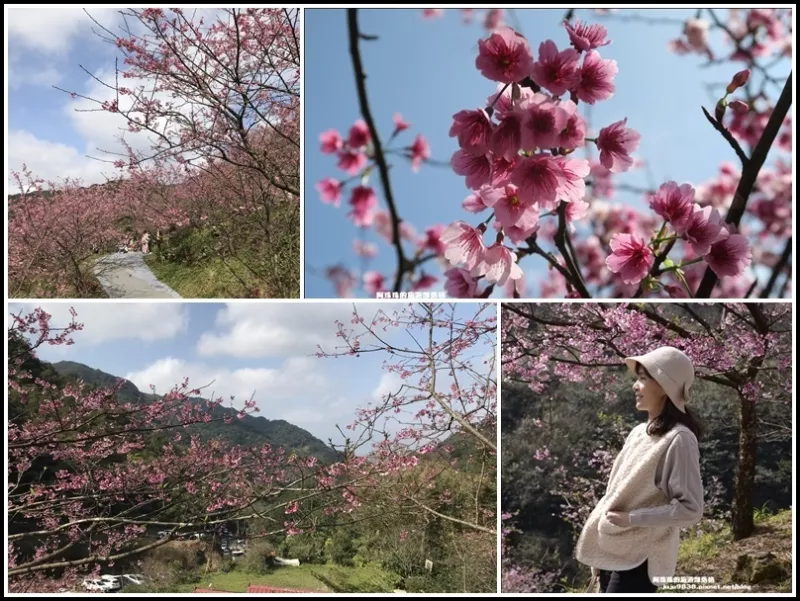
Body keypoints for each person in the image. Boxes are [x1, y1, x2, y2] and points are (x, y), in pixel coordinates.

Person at [574, 346, 705, 594]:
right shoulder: (639, 432)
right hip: (615, 547)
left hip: (642, 558)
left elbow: (691, 510)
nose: (635, 385)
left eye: (644, 378)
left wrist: (631, 519)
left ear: (665, 388)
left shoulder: (679, 439)